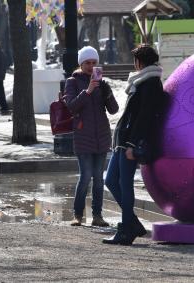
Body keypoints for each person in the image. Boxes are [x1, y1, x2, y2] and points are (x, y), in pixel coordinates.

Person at [103, 44, 166, 245]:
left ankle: (126, 230)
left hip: (129, 141)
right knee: (111, 181)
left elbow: (144, 117)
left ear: (140, 62)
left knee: (124, 183)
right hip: (122, 140)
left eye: (135, 60)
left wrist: (132, 143)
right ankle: (133, 223)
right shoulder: (141, 81)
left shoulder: (150, 83)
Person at [64, 46, 119, 227]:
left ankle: (97, 216)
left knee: (98, 178)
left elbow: (114, 110)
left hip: (101, 136)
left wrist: (107, 91)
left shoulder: (102, 84)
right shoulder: (72, 82)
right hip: (83, 135)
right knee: (86, 176)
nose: (91, 66)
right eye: (87, 63)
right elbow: (71, 106)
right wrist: (87, 91)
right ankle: (78, 214)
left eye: (94, 62)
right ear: (81, 63)